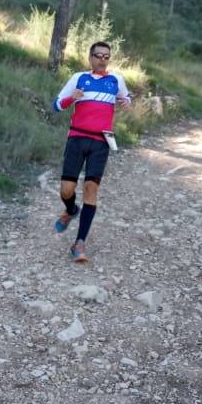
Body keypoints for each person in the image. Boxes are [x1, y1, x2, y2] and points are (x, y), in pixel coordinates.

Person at [52, 41, 130, 261]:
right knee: (66, 190)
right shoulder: (78, 78)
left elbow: (126, 97)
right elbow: (56, 105)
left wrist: (126, 103)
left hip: (101, 142)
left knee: (90, 190)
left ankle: (79, 243)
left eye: (106, 57)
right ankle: (71, 209)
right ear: (90, 57)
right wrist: (72, 98)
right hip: (77, 138)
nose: (102, 60)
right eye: (98, 56)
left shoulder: (116, 80)